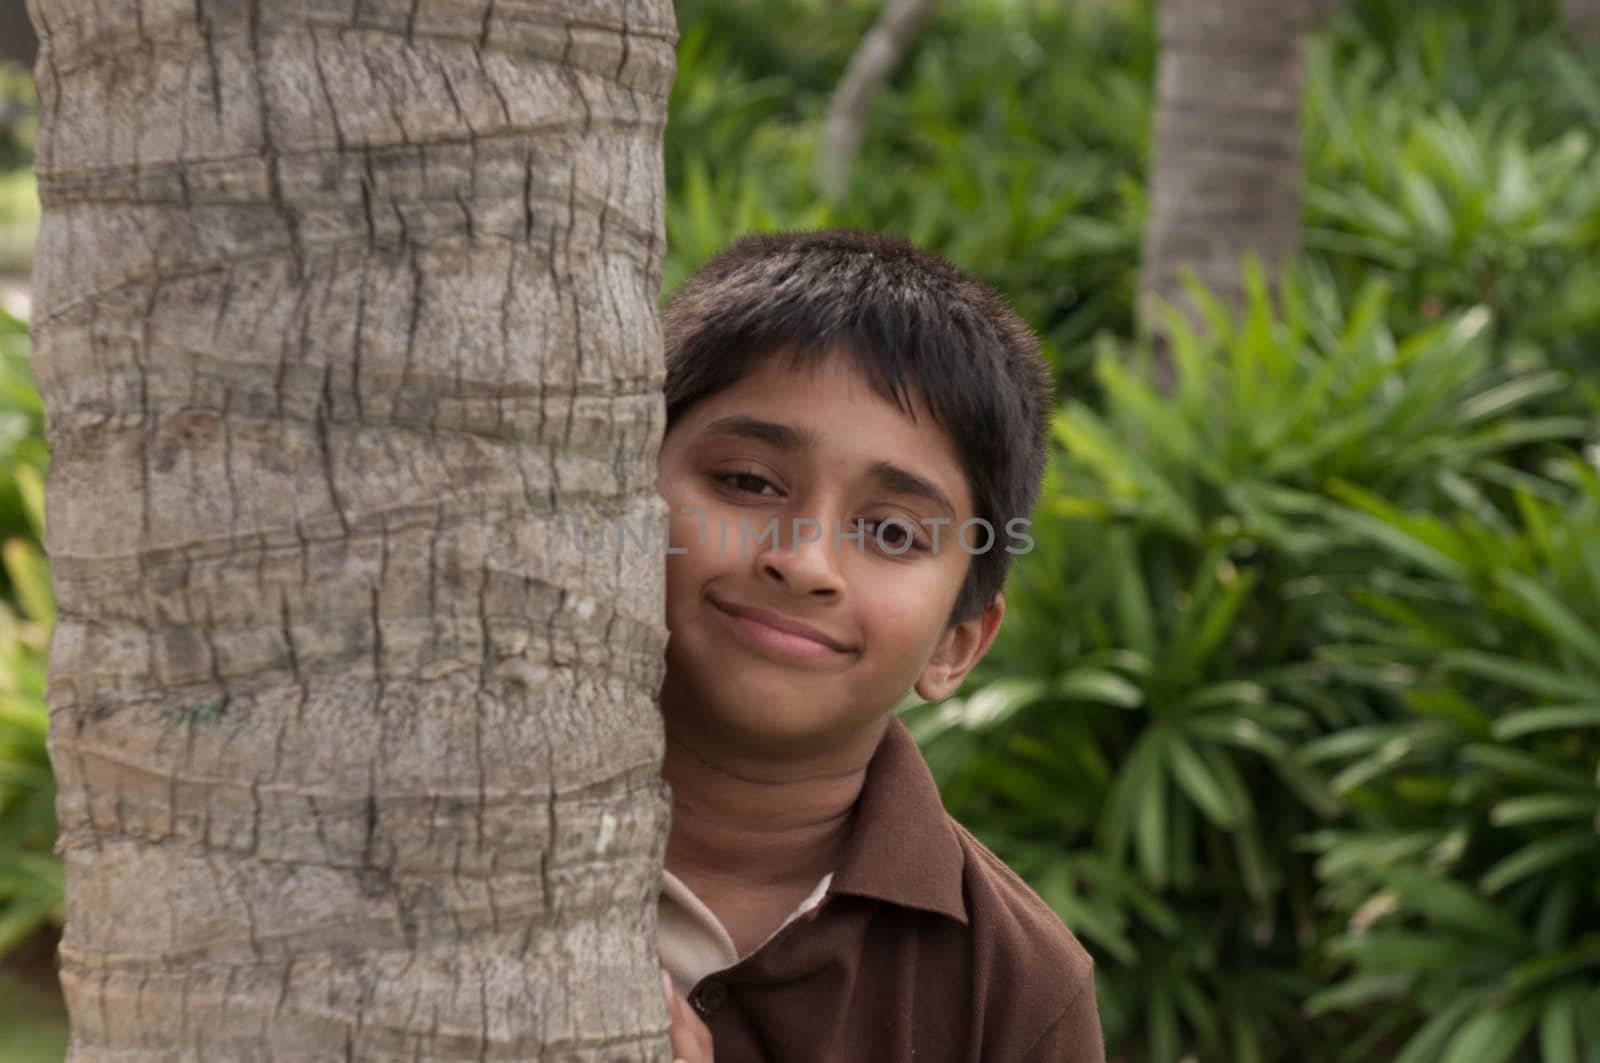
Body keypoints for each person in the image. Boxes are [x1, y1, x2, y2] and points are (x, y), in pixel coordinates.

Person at [651, 230, 1105, 1062]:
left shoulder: (1014, 989)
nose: (804, 563)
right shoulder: (426, 805)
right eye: (748, 482)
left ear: (958, 644)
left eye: (892, 531)